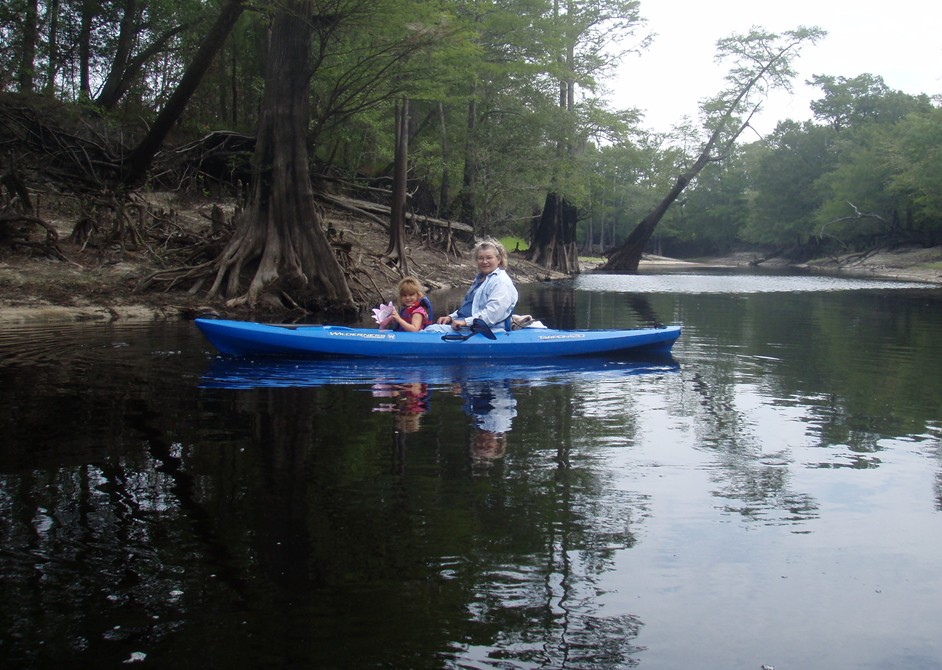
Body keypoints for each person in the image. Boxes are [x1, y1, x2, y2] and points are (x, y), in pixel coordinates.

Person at [425, 237, 518, 334]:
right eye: (481, 258)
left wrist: (465, 322)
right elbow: (469, 307)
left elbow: (493, 314)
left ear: (498, 259)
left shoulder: (501, 282)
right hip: (468, 325)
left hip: (486, 330)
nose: (484, 261)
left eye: (489, 258)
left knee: (430, 331)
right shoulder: (480, 279)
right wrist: (451, 317)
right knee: (433, 327)